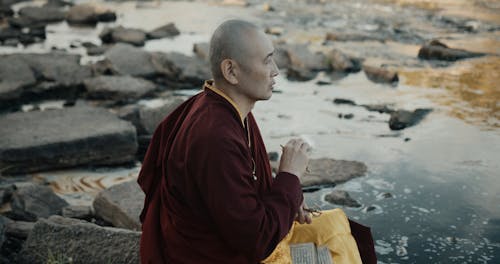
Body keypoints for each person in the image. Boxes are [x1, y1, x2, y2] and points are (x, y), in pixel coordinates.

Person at [138, 19, 314, 263]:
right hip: (205, 257)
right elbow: (257, 240)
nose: (276, 70)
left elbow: (243, 190)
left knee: (338, 230)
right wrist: (290, 177)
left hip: (226, 237)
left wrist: (290, 194)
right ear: (231, 71)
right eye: (266, 61)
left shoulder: (223, 106)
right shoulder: (215, 138)